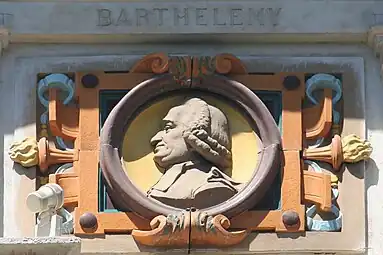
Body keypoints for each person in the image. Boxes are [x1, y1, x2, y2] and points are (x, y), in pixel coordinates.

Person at [147, 97, 244, 208]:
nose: (155, 139)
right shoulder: (166, 184)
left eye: (168, 128)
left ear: (196, 136)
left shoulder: (212, 187)